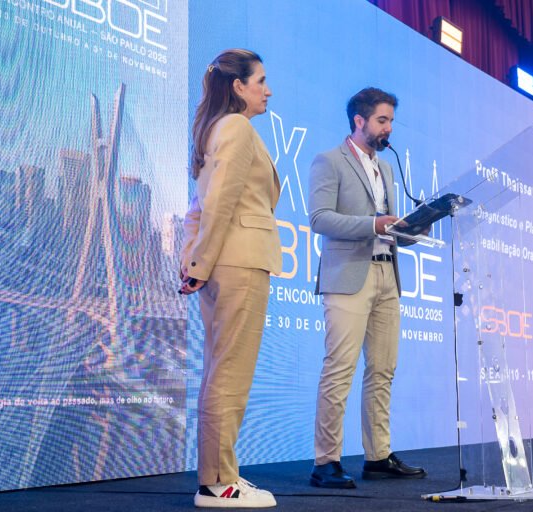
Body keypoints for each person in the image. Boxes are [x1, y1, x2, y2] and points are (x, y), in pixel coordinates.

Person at [308, 87, 426, 489]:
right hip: (348, 276)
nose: (388, 128)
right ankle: (326, 462)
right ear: (359, 121)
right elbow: (320, 219)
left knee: (383, 370)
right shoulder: (329, 161)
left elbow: (390, 230)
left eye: (390, 120)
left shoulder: (386, 168)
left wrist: (416, 227)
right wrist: (374, 224)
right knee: (339, 369)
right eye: (381, 120)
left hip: (387, 276)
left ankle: (377, 456)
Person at [179, 48, 280, 508]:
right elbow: (217, 204)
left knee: (221, 370)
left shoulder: (214, 129)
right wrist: (197, 265)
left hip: (223, 263)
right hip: (239, 263)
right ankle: (219, 483)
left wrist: (194, 262)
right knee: (230, 374)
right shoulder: (236, 127)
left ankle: (222, 475)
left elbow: (198, 211)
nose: (268, 91)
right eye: (261, 81)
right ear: (238, 86)